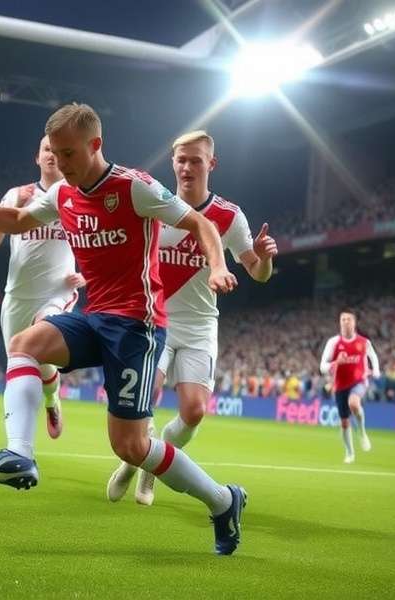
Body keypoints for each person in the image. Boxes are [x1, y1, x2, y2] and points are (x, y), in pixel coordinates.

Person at [0, 103, 247, 555]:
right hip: (96, 316)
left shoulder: (134, 187)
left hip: (138, 326)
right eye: (55, 153)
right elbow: (16, 220)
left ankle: (222, 500)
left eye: (69, 154)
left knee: (131, 447)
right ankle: (20, 454)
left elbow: (199, 222)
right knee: (24, 344)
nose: (61, 164)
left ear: (95, 146)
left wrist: (215, 266)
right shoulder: (62, 195)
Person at [107, 130, 278, 505]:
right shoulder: (155, 204)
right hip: (155, 321)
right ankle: (134, 460)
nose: (187, 167)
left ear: (211, 164)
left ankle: (150, 464)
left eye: (195, 160)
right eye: (181, 160)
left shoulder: (229, 216)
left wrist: (264, 258)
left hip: (200, 326)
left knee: (195, 411)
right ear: (173, 163)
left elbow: (256, 272)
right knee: (144, 396)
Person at [0, 135, 84, 438]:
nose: (52, 155)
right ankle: (52, 399)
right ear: (37, 158)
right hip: (17, 296)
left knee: (42, 337)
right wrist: (8, 215)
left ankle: (24, 441)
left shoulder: (77, 197)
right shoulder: (17, 194)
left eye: (59, 151)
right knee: (25, 362)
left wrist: (84, 276)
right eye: (46, 150)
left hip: (57, 292)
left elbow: (97, 246)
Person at [319, 309, 380, 463]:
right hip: (340, 385)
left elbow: (372, 355)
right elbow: (322, 367)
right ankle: (350, 452)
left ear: (354, 322)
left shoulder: (363, 342)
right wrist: (336, 363)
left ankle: (362, 432)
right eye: (343, 319)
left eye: (349, 319)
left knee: (354, 402)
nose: (346, 322)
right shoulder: (333, 343)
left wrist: (377, 370)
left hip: (359, 381)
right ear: (339, 323)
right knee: (344, 422)